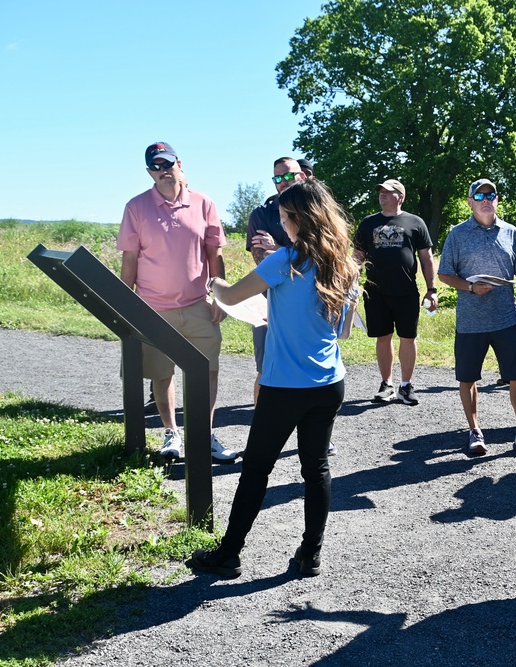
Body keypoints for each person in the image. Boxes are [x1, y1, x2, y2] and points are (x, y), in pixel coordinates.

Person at [191, 178, 360, 578]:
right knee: (316, 468)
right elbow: (344, 333)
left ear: (298, 219)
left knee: (256, 469)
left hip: (284, 384)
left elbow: (231, 297)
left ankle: (229, 554)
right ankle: (310, 554)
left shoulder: (284, 260)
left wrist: (211, 282)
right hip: (329, 382)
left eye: (284, 218)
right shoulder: (346, 265)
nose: (282, 225)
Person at [117, 141, 239, 464]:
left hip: (198, 303)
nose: (163, 171)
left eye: (167, 164)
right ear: (149, 172)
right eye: (156, 167)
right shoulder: (136, 207)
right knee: (162, 373)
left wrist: (220, 297)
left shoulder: (204, 203)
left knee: (208, 370)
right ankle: (172, 433)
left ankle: (205, 432)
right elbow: (129, 262)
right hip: (152, 309)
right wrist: (124, 307)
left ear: (179, 163)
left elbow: (215, 255)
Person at [437, 179, 516, 459]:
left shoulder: (511, 232)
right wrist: (470, 287)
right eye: (478, 195)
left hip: (507, 319)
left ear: (496, 200)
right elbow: (444, 274)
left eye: (490, 195)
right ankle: (474, 431)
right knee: (468, 378)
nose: (485, 199)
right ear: (469, 201)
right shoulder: (457, 234)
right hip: (470, 322)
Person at [353, 179, 437, 406]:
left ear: (400, 197)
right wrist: (350, 283)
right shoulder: (368, 223)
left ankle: (405, 385)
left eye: (387, 192)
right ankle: (386, 384)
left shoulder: (415, 222)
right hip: (375, 292)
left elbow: (426, 259)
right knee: (383, 337)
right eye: (380, 192)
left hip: (406, 291)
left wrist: (432, 290)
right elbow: (357, 257)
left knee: (408, 338)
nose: (382, 195)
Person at [246, 157, 307, 404]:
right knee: (266, 369)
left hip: (308, 303)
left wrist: (278, 248)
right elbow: (262, 262)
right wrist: (295, 251)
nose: (283, 182)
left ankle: (316, 436)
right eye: (277, 178)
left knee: (308, 367)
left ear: (302, 176)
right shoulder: (262, 214)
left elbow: (322, 256)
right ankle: (262, 430)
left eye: (288, 176)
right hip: (269, 304)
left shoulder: (317, 212)